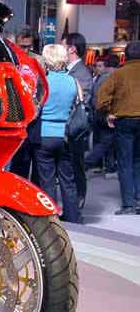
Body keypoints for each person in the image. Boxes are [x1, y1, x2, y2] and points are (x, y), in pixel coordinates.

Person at [35, 44, 82, 223]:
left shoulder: (43, 82)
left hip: (44, 135)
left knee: (47, 180)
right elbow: (78, 105)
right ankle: (73, 218)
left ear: (47, 60)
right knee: (67, 180)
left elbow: (35, 108)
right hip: (66, 134)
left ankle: (51, 219)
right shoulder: (73, 81)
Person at [96, 41, 140, 215]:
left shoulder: (118, 74)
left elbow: (101, 98)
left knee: (125, 162)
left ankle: (128, 204)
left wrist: (110, 111)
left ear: (125, 56)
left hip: (125, 121)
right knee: (138, 161)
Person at [62, 33, 93, 208]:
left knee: (76, 165)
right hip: (67, 128)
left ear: (72, 49)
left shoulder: (81, 72)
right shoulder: (69, 70)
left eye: (63, 46)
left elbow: (82, 102)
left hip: (75, 128)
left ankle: (78, 201)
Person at [10, 26, 42, 185]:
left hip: (33, 118)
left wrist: (37, 106)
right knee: (16, 163)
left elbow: (42, 88)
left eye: (29, 46)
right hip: (14, 117)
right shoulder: (9, 58)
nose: (26, 50)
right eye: (22, 46)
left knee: (32, 163)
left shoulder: (38, 61)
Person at [85, 55, 119, 174]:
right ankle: (88, 162)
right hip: (107, 114)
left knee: (105, 141)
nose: (97, 68)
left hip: (99, 113)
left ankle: (108, 165)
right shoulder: (111, 77)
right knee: (106, 142)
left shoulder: (101, 78)